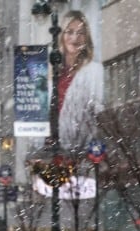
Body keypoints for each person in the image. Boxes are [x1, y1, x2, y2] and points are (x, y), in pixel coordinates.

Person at [57, 10, 104, 151]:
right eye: (70, 32)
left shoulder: (94, 71)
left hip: (86, 148)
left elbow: (99, 109)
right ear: (62, 36)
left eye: (80, 33)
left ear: (86, 38)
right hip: (54, 149)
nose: (75, 38)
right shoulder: (52, 74)